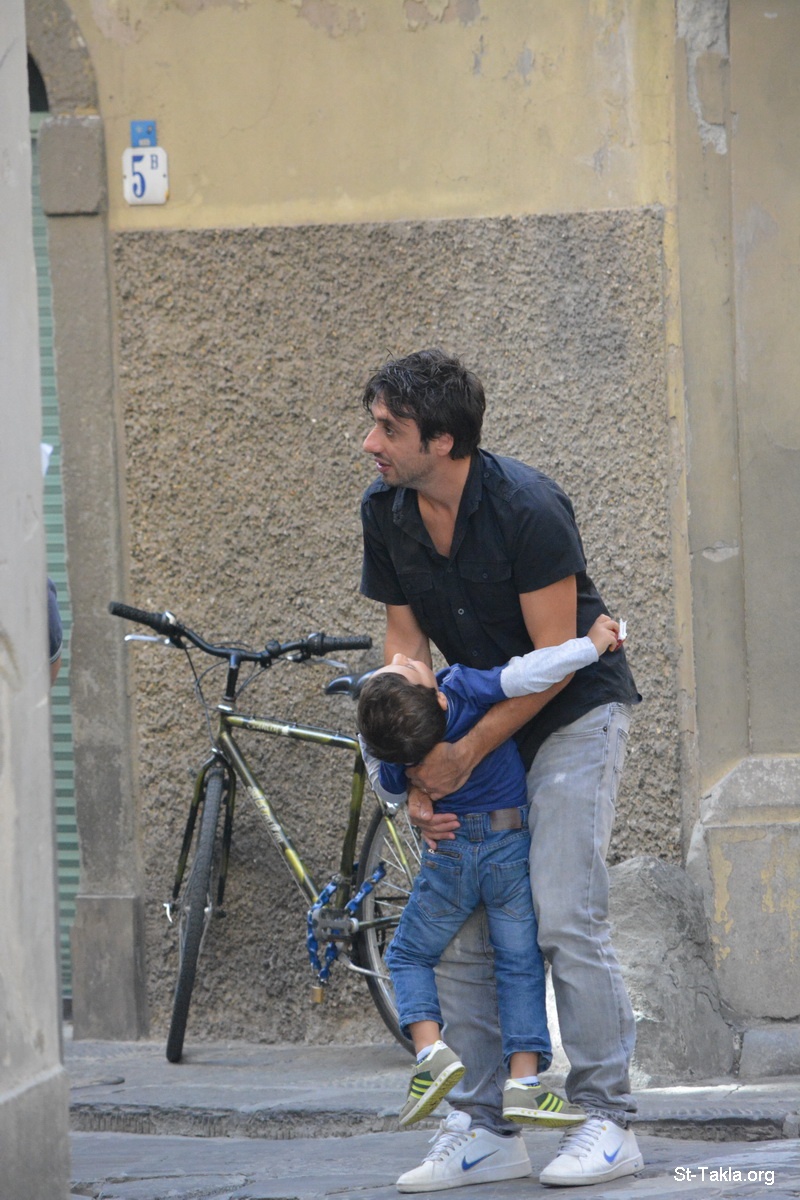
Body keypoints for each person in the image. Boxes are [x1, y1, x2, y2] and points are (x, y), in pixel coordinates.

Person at [359, 348, 643, 1192]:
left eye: (388, 428)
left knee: (563, 910)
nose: (370, 443)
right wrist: (420, 772)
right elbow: (405, 647)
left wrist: (467, 752)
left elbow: (552, 665)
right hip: (464, 722)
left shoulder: (527, 508)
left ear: (442, 441)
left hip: (569, 714)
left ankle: (607, 1119)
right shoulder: (386, 509)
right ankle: (485, 1127)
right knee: (458, 918)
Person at [358, 616, 620, 1138]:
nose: (403, 657)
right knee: (520, 965)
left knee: (407, 955)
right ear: (435, 699)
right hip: (507, 850)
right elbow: (530, 673)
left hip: (450, 857)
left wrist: (406, 784)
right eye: (408, 668)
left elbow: (385, 784)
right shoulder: (461, 689)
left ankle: (430, 1050)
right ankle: (524, 1081)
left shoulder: (400, 757)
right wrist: (590, 646)